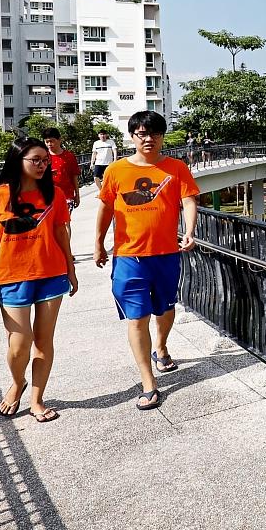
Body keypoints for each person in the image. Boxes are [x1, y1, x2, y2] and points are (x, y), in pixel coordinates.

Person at [94, 110, 199, 411]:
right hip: (128, 256)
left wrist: (189, 232)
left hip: (166, 253)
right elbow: (105, 209)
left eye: (154, 133)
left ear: (162, 136)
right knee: (136, 317)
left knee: (166, 309)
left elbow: (189, 200)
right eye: (141, 133)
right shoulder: (115, 170)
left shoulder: (176, 168)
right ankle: (148, 382)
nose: (148, 138)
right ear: (132, 137)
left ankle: (161, 346)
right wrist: (99, 243)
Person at [0, 136, 78, 422]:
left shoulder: (54, 194)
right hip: (12, 276)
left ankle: (37, 400)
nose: (43, 165)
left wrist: (71, 268)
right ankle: (18, 382)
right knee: (19, 343)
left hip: (51, 274)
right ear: (18, 161)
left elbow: (60, 234)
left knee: (44, 341)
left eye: (46, 161)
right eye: (36, 160)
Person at [43, 127, 82, 210]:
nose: (49, 144)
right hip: (47, 197)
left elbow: (74, 176)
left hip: (67, 196)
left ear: (59, 140)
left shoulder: (69, 156)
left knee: (65, 222)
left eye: (52, 141)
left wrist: (77, 195)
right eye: (47, 142)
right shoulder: (43, 157)